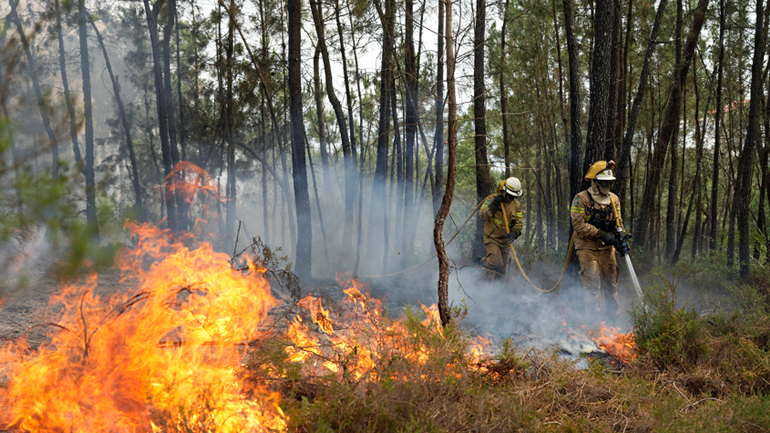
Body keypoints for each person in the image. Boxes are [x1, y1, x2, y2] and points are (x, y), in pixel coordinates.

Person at [570, 160, 627, 314]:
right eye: (603, 182)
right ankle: (593, 324)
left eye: (609, 183)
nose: (606, 186)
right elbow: (578, 225)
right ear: (595, 182)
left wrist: (621, 239)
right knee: (592, 285)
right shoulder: (580, 199)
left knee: (611, 284)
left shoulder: (614, 199)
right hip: (587, 247)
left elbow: (618, 221)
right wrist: (601, 234)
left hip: (607, 249)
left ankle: (612, 320)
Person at [478, 177, 524, 277]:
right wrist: (494, 204)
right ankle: (480, 262)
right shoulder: (491, 199)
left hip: (505, 241)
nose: (512, 199)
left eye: (514, 197)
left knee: (503, 270)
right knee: (496, 263)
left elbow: (519, 223)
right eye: (511, 196)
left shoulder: (516, 205)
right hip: (492, 238)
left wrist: (515, 232)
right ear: (505, 192)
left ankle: (498, 291)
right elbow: (482, 216)